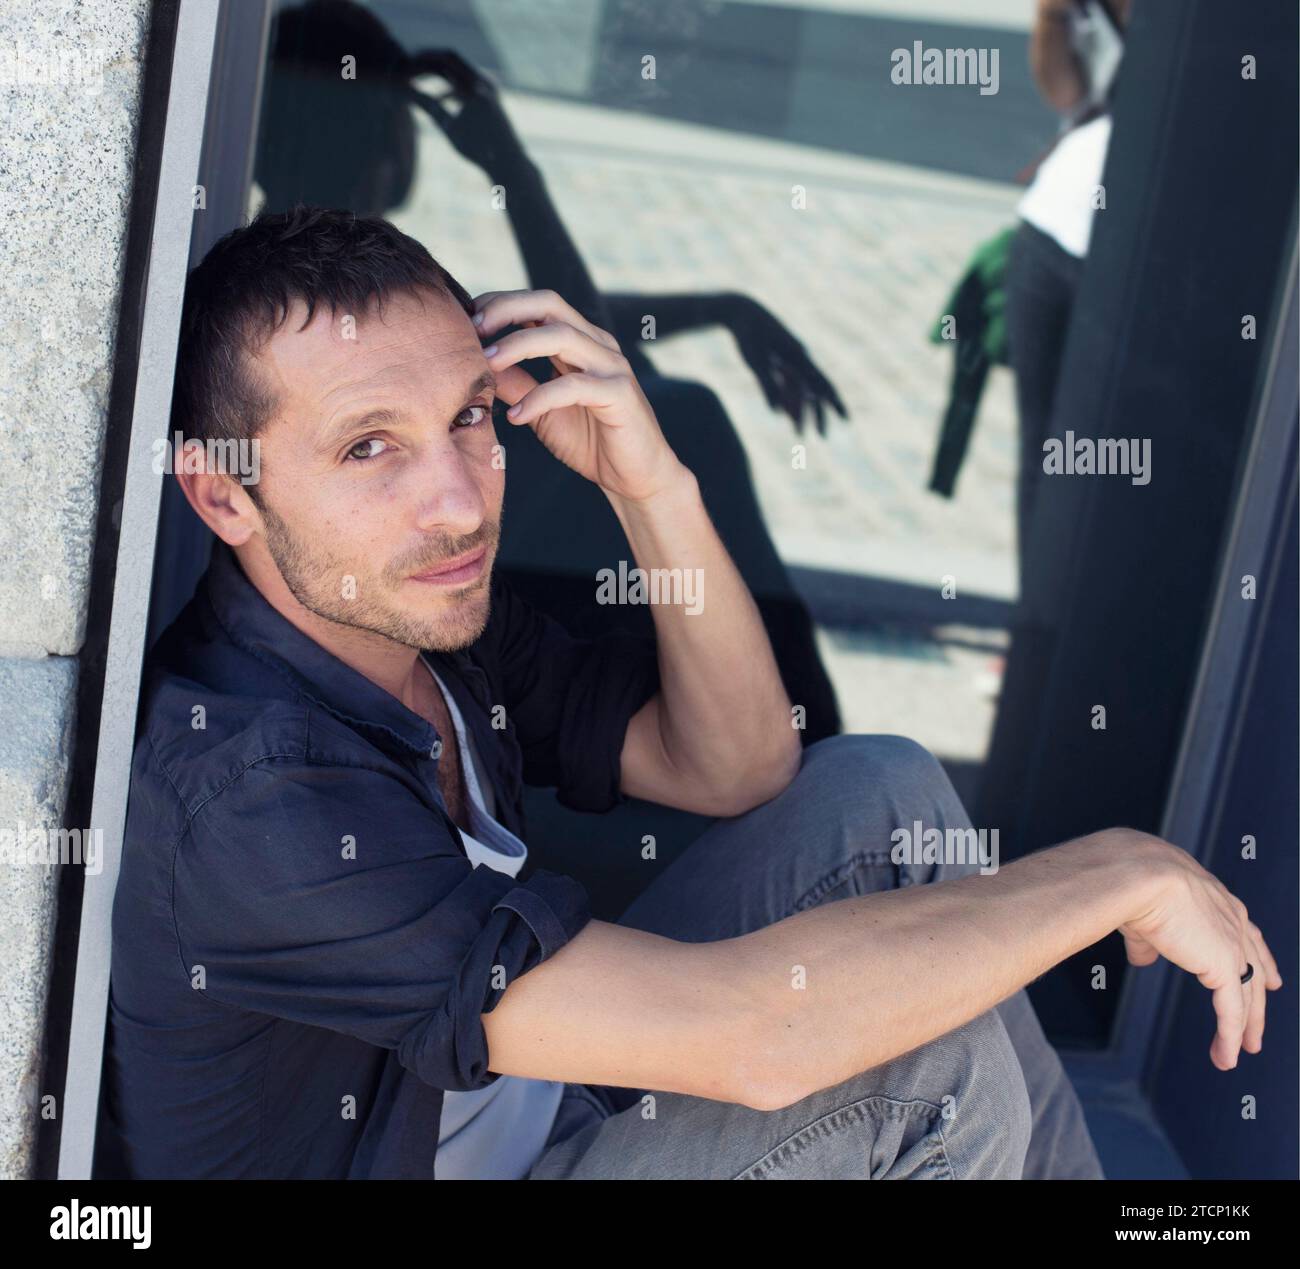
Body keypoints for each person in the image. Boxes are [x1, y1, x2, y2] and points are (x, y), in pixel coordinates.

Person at [96, 209, 1279, 1180]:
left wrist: (646, 481)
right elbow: (761, 1039)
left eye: (466, 418)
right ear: (223, 499)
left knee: (879, 789)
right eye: (369, 449)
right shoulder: (251, 801)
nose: (458, 503)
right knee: (923, 1070)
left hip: (539, 1109)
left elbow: (737, 767)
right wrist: (1112, 872)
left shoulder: (420, 625)